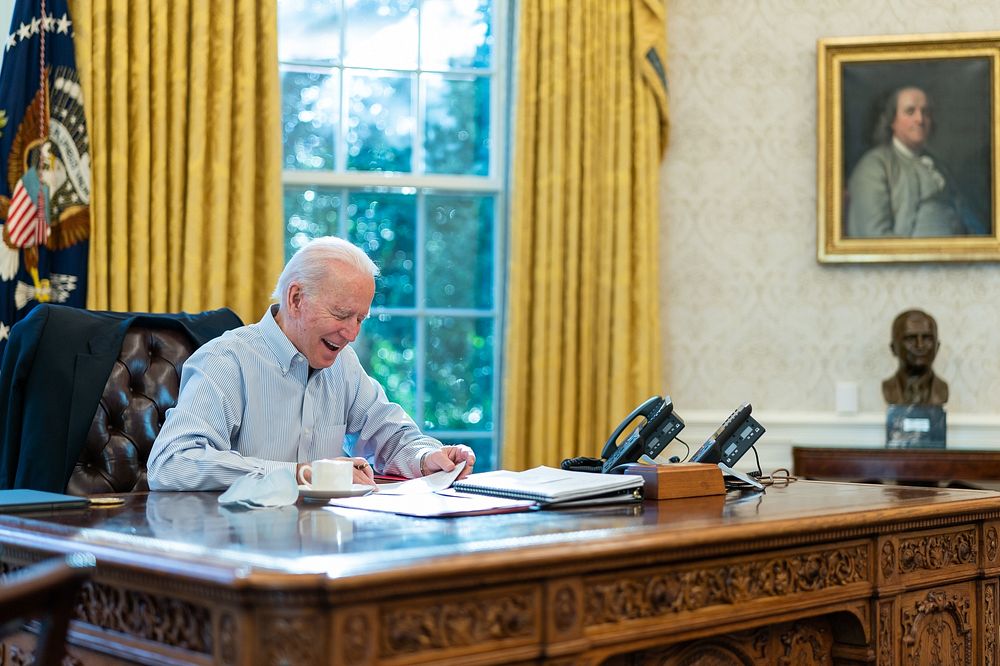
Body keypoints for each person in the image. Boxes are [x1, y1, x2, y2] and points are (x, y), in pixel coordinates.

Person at [147, 237, 475, 491]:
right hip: (239, 552)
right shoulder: (226, 361)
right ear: (295, 299)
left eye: (360, 318)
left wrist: (426, 457)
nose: (351, 333)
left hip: (325, 550)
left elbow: (390, 434)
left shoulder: (342, 364)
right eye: (341, 314)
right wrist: (301, 474)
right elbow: (172, 464)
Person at [847, 85, 975, 238]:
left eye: (925, 112)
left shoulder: (938, 165)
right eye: (910, 111)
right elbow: (873, 235)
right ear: (892, 120)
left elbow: (969, 222)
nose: (920, 119)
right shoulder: (873, 166)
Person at [882, 309, 948, 405]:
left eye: (927, 338)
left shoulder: (941, 390)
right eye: (910, 338)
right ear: (893, 348)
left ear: (937, 347)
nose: (920, 345)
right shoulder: (888, 388)